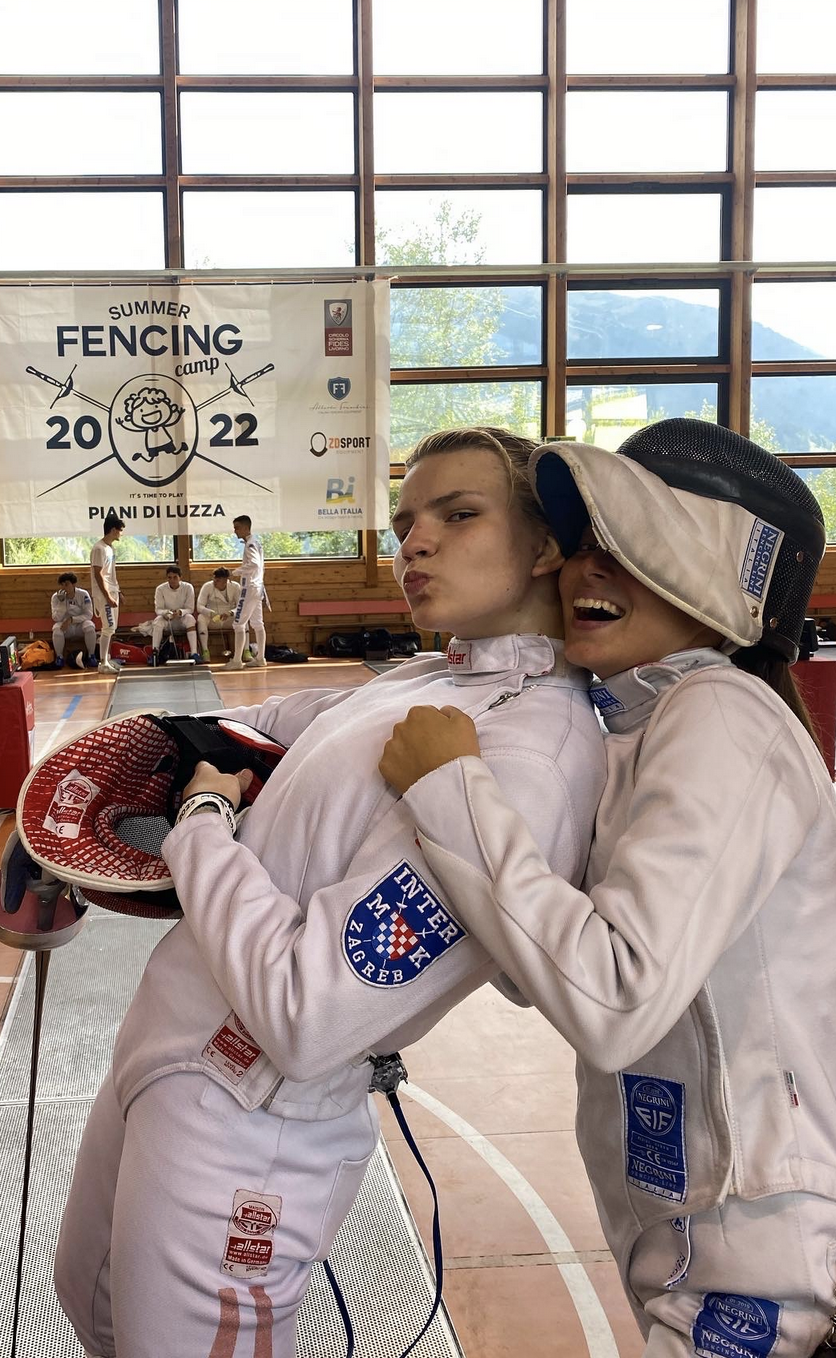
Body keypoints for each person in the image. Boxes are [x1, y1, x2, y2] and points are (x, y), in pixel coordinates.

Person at [53, 427, 608, 1358]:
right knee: (92, 1305)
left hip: (248, 1119)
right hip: (168, 1044)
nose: (414, 543)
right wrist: (77, 802)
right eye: (405, 522)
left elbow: (307, 1014)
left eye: (458, 515)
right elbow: (261, 725)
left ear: (547, 543)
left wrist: (200, 822)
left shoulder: (527, 759)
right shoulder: (432, 674)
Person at [380, 421, 836, 1357]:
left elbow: (614, 995)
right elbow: (538, 970)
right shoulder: (630, 725)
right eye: (587, 542)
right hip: (689, 1224)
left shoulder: (721, 711)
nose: (589, 569)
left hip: (762, 1258)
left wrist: (451, 790)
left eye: (634, 548)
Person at [227, 513, 266, 669]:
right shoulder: (256, 542)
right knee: (257, 623)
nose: (235, 531)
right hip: (258, 587)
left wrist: (236, 572)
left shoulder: (250, 544)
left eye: (237, 528)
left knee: (238, 624)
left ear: (245, 528)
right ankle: (260, 658)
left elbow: (255, 564)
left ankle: (237, 661)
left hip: (249, 588)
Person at [90, 513, 124, 675]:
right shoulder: (99, 548)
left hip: (112, 591)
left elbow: (111, 574)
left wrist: (118, 592)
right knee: (108, 627)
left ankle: (106, 659)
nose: (121, 533)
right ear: (113, 530)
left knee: (111, 628)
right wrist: (108, 596)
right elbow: (98, 574)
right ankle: (103, 663)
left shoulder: (110, 548)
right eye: (120, 530)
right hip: (104, 595)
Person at [151, 565, 199, 663]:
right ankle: (155, 653)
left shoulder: (188, 587)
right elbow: (158, 609)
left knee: (190, 619)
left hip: (182, 619)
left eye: (175, 577)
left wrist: (180, 612)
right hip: (167, 619)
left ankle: (194, 653)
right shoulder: (160, 589)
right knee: (157, 621)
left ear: (180, 577)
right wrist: (166, 613)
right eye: (169, 577)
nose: (172, 580)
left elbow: (190, 608)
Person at [51, 571, 97, 670]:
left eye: (67, 584)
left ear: (74, 584)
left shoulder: (83, 594)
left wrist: (72, 620)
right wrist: (62, 603)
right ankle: (59, 657)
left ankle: (91, 656)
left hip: (80, 626)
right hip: (66, 628)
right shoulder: (56, 597)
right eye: (62, 585)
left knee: (90, 626)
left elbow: (88, 614)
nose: (64, 588)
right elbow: (56, 618)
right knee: (56, 629)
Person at [195, 566, 239, 663]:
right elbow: (199, 606)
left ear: (225, 580)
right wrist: (210, 613)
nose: (215, 581)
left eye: (218, 580)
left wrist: (231, 613)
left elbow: (241, 606)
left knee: (243, 619)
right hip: (213, 619)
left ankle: (245, 651)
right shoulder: (207, 586)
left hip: (229, 618)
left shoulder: (235, 587)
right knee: (201, 618)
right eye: (214, 578)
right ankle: (205, 651)